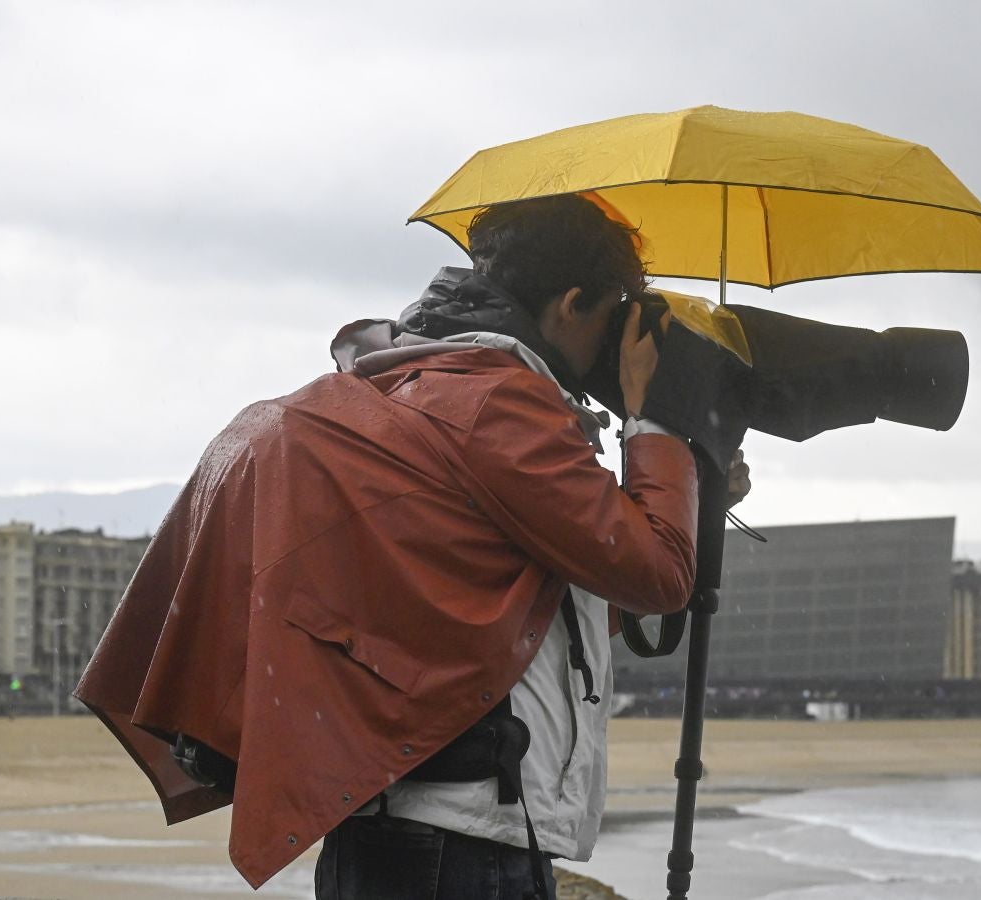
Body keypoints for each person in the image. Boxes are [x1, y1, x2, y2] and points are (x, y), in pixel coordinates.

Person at [74, 193, 750, 899]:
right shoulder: (501, 403)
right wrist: (655, 422)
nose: (620, 347)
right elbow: (658, 575)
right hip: (460, 838)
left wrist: (692, 497)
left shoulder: (421, 383)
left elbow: (541, 607)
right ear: (572, 304)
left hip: (404, 828)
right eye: (618, 316)